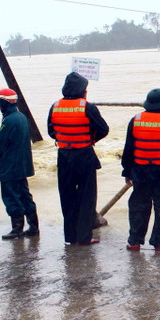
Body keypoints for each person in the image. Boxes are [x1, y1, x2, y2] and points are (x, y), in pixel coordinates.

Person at [47, 72, 109, 246]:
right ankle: (84, 237)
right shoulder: (87, 107)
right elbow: (103, 129)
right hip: (84, 155)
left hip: (64, 155)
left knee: (67, 196)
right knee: (87, 197)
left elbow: (51, 131)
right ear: (83, 91)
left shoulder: (55, 106)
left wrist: (66, 138)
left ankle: (70, 237)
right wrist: (90, 139)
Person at [121, 88, 160, 252]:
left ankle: (134, 242)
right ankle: (158, 243)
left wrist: (127, 171)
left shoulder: (135, 120)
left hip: (140, 171)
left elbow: (128, 149)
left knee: (138, 206)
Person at [0, 88, 38, 240]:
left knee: (11, 198)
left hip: (10, 167)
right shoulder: (21, 117)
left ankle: (17, 229)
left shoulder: (9, 121)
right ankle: (33, 227)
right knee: (24, 196)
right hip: (22, 166)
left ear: (5, 103)